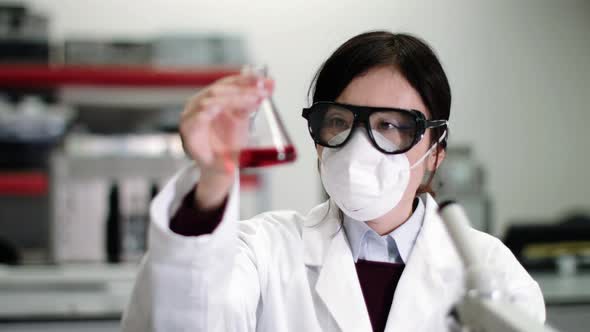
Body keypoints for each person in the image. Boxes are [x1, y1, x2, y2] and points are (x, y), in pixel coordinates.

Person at [121, 31, 545, 332]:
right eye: (339, 121)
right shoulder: (264, 252)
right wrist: (213, 179)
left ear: (436, 149)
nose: (360, 146)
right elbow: (182, 318)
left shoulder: (490, 272)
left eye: (391, 126)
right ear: (320, 136)